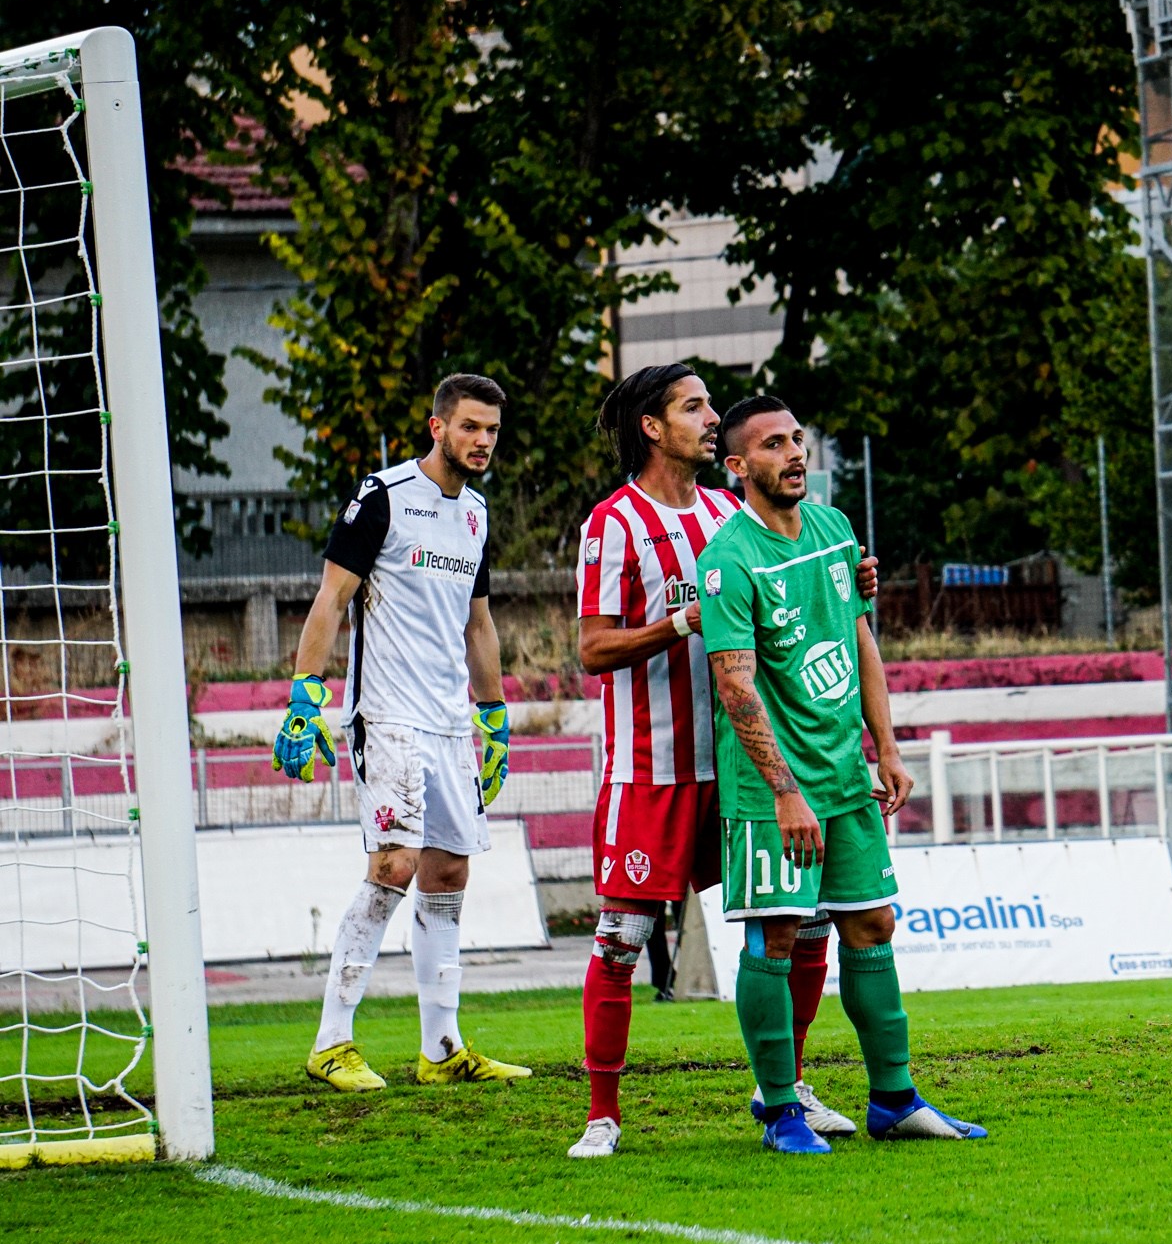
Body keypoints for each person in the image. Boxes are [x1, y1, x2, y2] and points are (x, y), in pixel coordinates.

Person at [565, 365, 876, 1159]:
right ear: (652, 427)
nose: (710, 420)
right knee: (622, 935)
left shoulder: (725, 511)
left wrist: (848, 582)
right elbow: (592, 648)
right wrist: (680, 623)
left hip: (747, 763)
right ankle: (604, 1112)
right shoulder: (613, 523)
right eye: (693, 407)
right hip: (654, 767)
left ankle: (789, 1086)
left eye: (710, 409)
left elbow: (793, 585)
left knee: (799, 923)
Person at [700, 395, 985, 1153]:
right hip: (772, 790)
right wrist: (786, 791)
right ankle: (780, 1108)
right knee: (778, 936)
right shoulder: (729, 560)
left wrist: (886, 746)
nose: (794, 453)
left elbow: (861, 641)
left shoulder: (834, 529)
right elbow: (736, 685)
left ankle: (894, 1097)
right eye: (772, 444)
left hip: (845, 772)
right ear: (737, 467)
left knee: (872, 922)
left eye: (797, 438)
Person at [278, 373, 529, 1092]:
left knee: (450, 871)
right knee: (395, 864)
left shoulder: (476, 514)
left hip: (452, 722)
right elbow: (331, 599)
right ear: (437, 426)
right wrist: (306, 697)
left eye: (492, 431)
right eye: (470, 427)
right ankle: (332, 1041)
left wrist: (494, 714)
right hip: (386, 715)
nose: (482, 441)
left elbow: (478, 622)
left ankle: (442, 1046)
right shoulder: (381, 497)